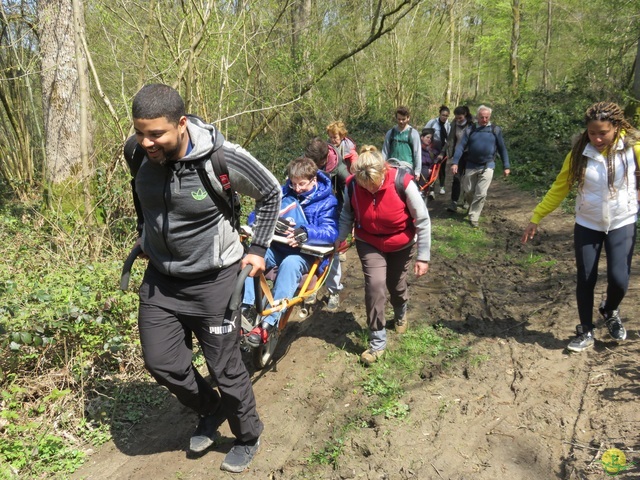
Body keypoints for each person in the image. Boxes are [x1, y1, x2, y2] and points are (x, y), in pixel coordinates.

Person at [127, 84, 282, 473]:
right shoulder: (136, 153)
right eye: (140, 132)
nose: (146, 142)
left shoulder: (220, 158)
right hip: (162, 278)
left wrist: (259, 250)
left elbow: (270, 191)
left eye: (156, 133)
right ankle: (209, 409)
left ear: (181, 124)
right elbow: (142, 197)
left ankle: (247, 435)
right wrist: (145, 235)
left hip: (215, 281)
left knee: (226, 368)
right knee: (162, 363)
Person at [522, 101, 640, 353]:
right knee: (586, 277)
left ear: (616, 127)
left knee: (619, 280)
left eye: (603, 133)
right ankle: (586, 329)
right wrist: (537, 216)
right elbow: (559, 187)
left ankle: (609, 309)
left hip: (622, 221)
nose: (597, 138)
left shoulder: (633, 150)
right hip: (588, 223)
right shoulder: (578, 154)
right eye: (592, 133)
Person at [335, 146, 430, 365]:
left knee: (396, 284)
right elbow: (347, 214)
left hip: (401, 243)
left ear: (384, 173)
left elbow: (422, 220)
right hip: (368, 241)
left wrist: (423, 256)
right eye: (364, 186)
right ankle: (377, 343)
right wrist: (341, 238)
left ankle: (400, 311)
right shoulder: (352, 185)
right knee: (375, 285)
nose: (368, 190)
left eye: (373, 185)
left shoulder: (403, 183)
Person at [241, 157, 339, 343]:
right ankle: (245, 308)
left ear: (314, 180)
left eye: (302, 184)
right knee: (252, 257)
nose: (297, 189)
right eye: (293, 184)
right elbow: (255, 216)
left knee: (290, 264)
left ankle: (270, 323)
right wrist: (272, 222)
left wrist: (307, 232)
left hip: (304, 255)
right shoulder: (283, 193)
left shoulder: (327, 202)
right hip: (276, 247)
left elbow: (331, 231)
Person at [305, 138, 347, 311]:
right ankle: (311, 287)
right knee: (308, 251)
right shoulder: (306, 160)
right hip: (309, 213)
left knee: (332, 255)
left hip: (332, 215)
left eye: (315, 163)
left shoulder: (341, 171)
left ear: (323, 160)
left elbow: (349, 199)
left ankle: (334, 290)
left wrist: (347, 222)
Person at [450, 105, 510, 227]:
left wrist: (506, 166)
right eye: (482, 117)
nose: (484, 119)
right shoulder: (470, 130)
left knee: (481, 193)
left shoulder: (495, 130)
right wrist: (455, 162)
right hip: (471, 164)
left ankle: (474, 216)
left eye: (487, 117)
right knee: (468, 190)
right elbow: (461, 147)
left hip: (488, 165)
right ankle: (472, 206)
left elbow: (502, 148)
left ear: (490, 117)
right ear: (477, 117)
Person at [445, 105, 474, 212]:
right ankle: (454, 202)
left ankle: (466, 200)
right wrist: (446, 152)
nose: (458, 120)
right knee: (456, 178)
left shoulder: (472, 124)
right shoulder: (454, 124)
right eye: (456, 117)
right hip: (458, 154)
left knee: (468, 178)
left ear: (465, 115)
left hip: (470, 155)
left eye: (460, 118)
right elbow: (450, 139)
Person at [381, 106, 422, 179]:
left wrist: (417, 171)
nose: (401, 122)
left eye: (403, 119)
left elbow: (417, 153)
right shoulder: (390, 133)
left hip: (406, 167)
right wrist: (382, 167)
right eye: (399, 119)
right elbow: (385, 151)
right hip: (391, 165)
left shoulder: (413, 133)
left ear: (408, 118)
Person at [424, 105, 451, 194]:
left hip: (443, 149)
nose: (444, 117)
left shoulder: (448, 125)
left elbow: (449, 139)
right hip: (433, 148)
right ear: (439, 114)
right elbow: (425, 133)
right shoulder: (433, 122)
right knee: (432, 168)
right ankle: (431, 188)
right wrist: (427, 147)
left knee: (442, 168)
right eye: (443, 115)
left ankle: (442, 186)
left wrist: (445, 151)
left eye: (446, 115)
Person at [418, 127, 442, 202]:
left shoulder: (431, 151)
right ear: (422, 138)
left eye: (430, 138)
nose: (429, 139)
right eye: (427, 137)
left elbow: (433, 162)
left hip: (427, 174)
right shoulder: (417, 149)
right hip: (419, 173)